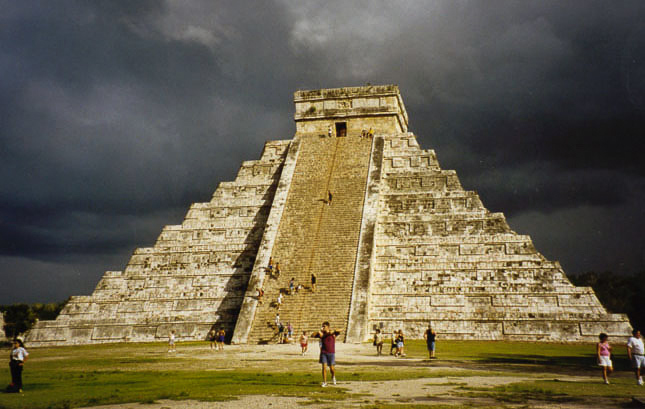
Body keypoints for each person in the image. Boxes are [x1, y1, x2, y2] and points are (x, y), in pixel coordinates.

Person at [312, 322, 340, 387]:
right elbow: (312, 335)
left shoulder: (332, 333)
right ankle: (324, 382)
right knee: (324, 368)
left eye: (324, 326)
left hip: (331, 353)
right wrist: (318, 331)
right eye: (322, 326)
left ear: (328, 327)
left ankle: (333, 376)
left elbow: (340, 330)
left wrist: (333, 331)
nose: (323, 327)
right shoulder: (322, 334)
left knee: (332, 369)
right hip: (324, 352)